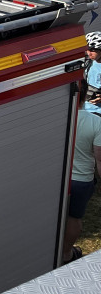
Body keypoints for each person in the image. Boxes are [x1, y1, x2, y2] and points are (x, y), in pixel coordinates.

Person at [64, 72, 101, 264]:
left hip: (55, 177)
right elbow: (100, 159)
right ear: (84, 94)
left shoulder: (54, 116)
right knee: (73, 219)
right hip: (80, 182)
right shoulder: (96, 122)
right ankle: (66, 254)